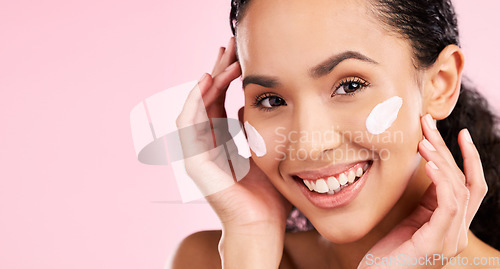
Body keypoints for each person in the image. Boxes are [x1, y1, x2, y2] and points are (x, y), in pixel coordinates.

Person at [170, 0, 500, 268]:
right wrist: (250, 238)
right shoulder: (210, 261)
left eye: (350, 86)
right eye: (272, 100)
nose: (310, 146)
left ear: (439, 84)